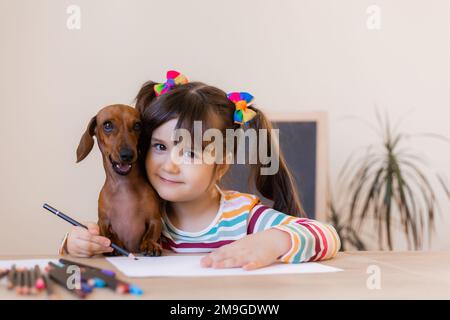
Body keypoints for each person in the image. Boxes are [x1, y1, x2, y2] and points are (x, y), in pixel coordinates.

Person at [61, 71, 340, 270]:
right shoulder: (143, 213)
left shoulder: (242, 217)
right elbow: (103, 247)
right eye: (159, 147)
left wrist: (273, 242)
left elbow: (327, 236)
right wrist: (77, 244)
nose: (169, 164)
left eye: (190, 153)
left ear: (221, 164)